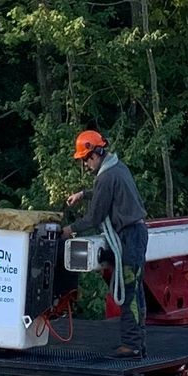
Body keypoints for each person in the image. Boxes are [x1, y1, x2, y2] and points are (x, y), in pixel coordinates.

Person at [66, 131, 148, 355]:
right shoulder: (118, 168)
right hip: (137, 234)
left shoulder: (106, 177)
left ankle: (131, 345)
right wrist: (84, 193)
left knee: (129, 291)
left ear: (95, 153)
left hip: (130, 238)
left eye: (85, 159)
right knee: (136, 291)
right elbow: (107, 191)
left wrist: (68, 230)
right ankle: (138, 343)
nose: (85, 165)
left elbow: (94, 217)